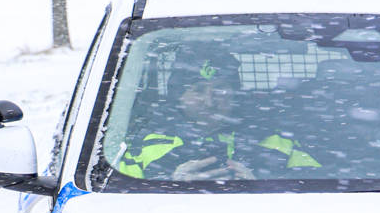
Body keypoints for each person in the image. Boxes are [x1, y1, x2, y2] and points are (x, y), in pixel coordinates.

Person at [116, 42, 320, 181]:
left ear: (235, 95)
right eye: (198, 90)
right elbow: (120, 209)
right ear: (179, 96)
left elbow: (319, 201)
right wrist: (171, 186)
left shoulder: (278, 143)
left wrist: (258, 188)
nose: (209, 101)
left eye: (220, 89)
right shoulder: (143, 147)